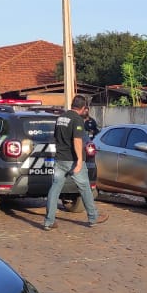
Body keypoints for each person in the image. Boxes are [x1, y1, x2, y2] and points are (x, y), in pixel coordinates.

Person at [43, 94, 102, 230]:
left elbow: (57, 137)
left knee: (55, 189)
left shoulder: (61, 118)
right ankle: (93, 217)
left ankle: (49, 221)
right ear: (82, 108)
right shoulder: (77, 120)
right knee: (85, 188)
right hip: (72, 160)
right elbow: (77, 140)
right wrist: (80, 160)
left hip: (59, 159)